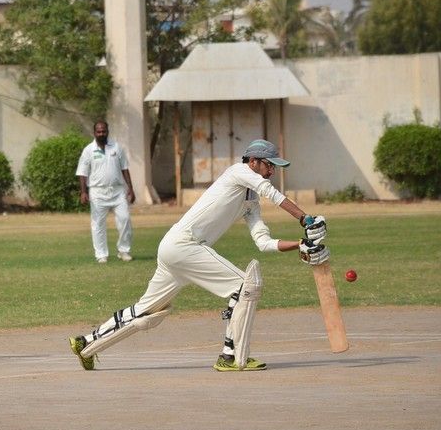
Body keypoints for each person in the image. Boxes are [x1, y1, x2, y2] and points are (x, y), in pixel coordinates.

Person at [69, 139, 329, 372]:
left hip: (175, 248)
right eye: (269, 165)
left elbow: (263, 242)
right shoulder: (238, 171)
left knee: (146, 312)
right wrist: (305, 219)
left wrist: (300, 244)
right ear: (253, 161)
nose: (272, 171)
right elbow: (271, 192)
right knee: (245, 286)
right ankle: (230, 357)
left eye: (274, 167)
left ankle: (86, 343)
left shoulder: (250, 202)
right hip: (184, 245)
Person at [76, 120, 136, 263]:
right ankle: (101, 254)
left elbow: (125, 168)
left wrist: (131, 188)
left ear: (107, 131)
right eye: (99, 131)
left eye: (103, 131)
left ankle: (124, 251)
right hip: (97, 192)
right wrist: (83, 192)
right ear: (94, 132)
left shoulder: (116, 147)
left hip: (117, 191)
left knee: (125, 219)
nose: (101, 133)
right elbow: (82, 173)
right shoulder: (88, 150)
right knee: (98, 224)